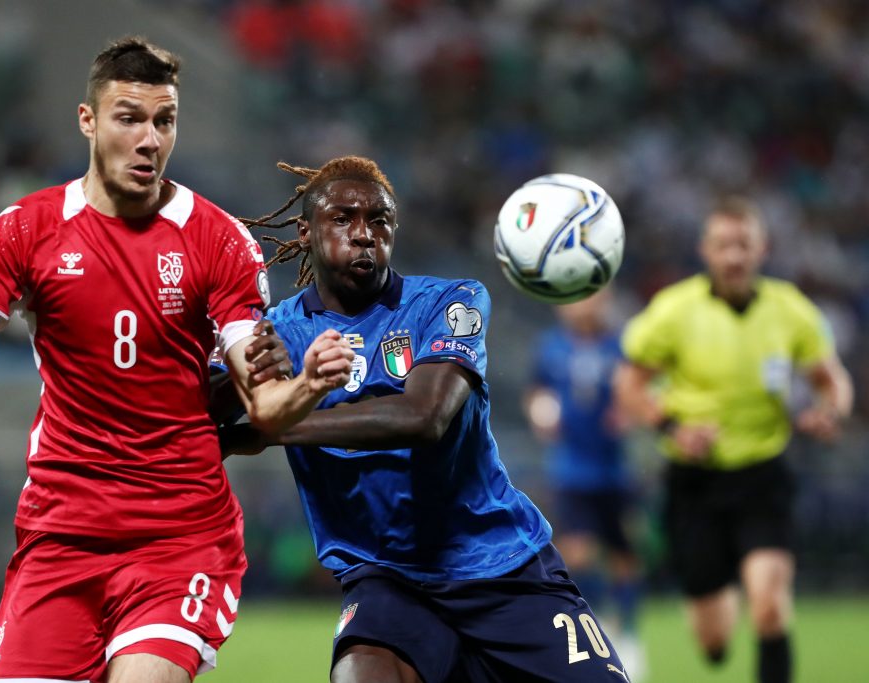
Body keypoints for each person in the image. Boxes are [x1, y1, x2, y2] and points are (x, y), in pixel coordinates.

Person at [0, 37, 353, 683]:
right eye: (129, 118)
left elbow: (267, 406)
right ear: (88, 120)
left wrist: (307, 381)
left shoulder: (221, 242)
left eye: (164, 120)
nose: (149, 139)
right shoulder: (24, 230)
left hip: (179, 536)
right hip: (59, 534)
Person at [225, 155, 631, 682]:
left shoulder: (449, 301)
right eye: (343, 218)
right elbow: (196, 411)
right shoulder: (275, 334)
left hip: (501, 567)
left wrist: (275, 422)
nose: (364, 233)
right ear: (304, 232)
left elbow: (425, 416)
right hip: (387, 581)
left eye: (379, 221)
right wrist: (236, 401)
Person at [613, 196, 853, 683]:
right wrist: (672, 428)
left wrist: (831, 412)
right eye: (724, 244)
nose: (734, 256)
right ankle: (712, 616)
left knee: (769, 608)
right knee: (714, 642)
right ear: (706, 250)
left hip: (763, 475)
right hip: (695, 482)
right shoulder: (673, 311)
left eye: (744, 244)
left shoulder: (791, 311)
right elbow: (629, 384)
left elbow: (833, 379)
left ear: (762, 249)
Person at [523, 287, 645, 676]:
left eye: (591, 297)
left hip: (613, 470)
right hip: (571, 469)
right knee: (576, 553)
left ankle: (628, 634)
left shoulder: (619, 346)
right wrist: (540, 413)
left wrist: (629, 413)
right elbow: (536, 391)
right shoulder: (551, 347)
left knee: (623, 556)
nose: (582, 305)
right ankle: (597, 631)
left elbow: (639, 389)